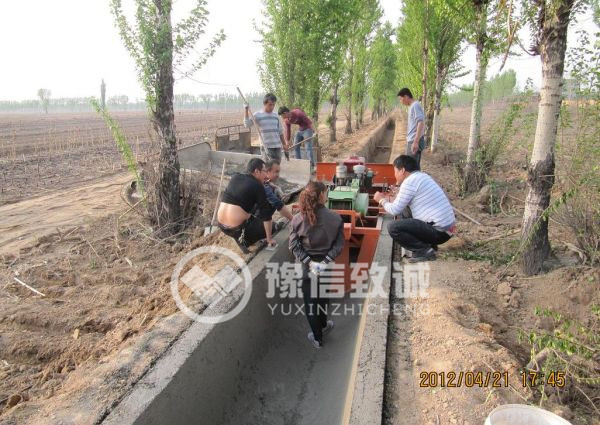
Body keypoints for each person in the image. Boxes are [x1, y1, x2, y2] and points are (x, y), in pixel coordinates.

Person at [289, 181, 345, 348]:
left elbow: (293, 245)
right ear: (321, 195)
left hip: (306, 268)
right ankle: (323, 325)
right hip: (325, 267)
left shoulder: (298, 219)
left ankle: (317, 338)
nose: (327, 195)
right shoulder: (335, 218)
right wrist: (326, 261)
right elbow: (339, 245)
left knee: (310, 301)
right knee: (322, 295)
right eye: (326, 192)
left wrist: (308, 262)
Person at [373, 155, 456, 262]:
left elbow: (394, 210)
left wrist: (381, 200)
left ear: (402, 170)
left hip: (439, 232)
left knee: (393, 227)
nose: (395, 175)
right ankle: (429, 245)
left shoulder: (409, 182)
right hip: (447, 230)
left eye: (395, 171)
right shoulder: (422, 176)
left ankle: (424, 250)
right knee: (404, 210)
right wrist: (399, 193)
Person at [217, 158, 281, 253]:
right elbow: (266, 215)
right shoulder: (257, 185)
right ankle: (246, 240)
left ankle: (241, 238)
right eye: (264, 171)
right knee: (273, 227)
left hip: (222, 226)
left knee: (249, 207)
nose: (266, 175)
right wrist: (269, 239)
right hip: (238, 228)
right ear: (256, 171)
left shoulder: (236, 177)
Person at [244, 93, 287, 161]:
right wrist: (246, 109)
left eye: (273, 105)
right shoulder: (258, 115)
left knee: (276, 168)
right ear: (264, 104)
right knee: (268, 169)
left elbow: (280, 132)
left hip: (277, 147)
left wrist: (284, 144)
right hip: (266, 148)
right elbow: (247, 124)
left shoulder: (276, 116)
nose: (272, 107)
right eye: (270, 105)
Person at [397, 88, 426, 169]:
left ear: (406, 96)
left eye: (401, 99)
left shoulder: (415, 105)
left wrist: (416, 142)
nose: (401, 101)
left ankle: (415, 181)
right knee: (413, 166)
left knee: (411, 168)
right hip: (412, 140)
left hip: (414, 141)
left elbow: (420, 122)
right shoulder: (412, 106)